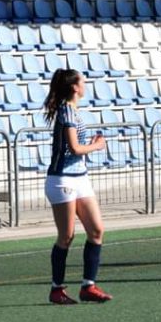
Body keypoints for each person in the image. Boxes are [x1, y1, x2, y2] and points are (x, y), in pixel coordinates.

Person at [42, 68, 112, 304]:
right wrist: (97, 146)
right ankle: (56, 289)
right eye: (83, 81)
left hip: (79, 177)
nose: (85, 84)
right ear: (75, 87)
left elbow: (76, 149)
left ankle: (88, 286)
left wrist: (89, 144)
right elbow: (74, 148)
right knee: (67, 236)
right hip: (62, 179)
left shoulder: (73, 111)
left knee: (96, 230)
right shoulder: (66, 112)